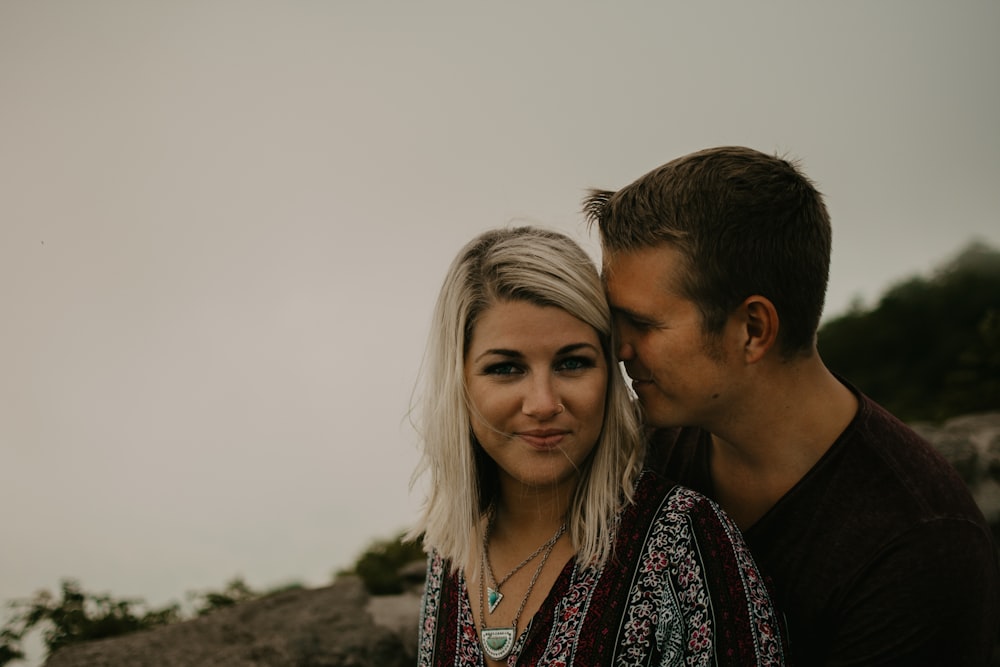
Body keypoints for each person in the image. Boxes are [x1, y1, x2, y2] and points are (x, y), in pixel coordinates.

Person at [584, 145, 1000, 666]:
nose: (618, 347)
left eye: (642, 324)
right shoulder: (639, 454)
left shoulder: (918, 543)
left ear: (753, 330)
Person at [409, 226, 787, 666]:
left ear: (610, 372)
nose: (544, 403)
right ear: (460, 383)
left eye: (573, 363)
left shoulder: (683, 541)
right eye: (506, 368)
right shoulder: (451, 552)